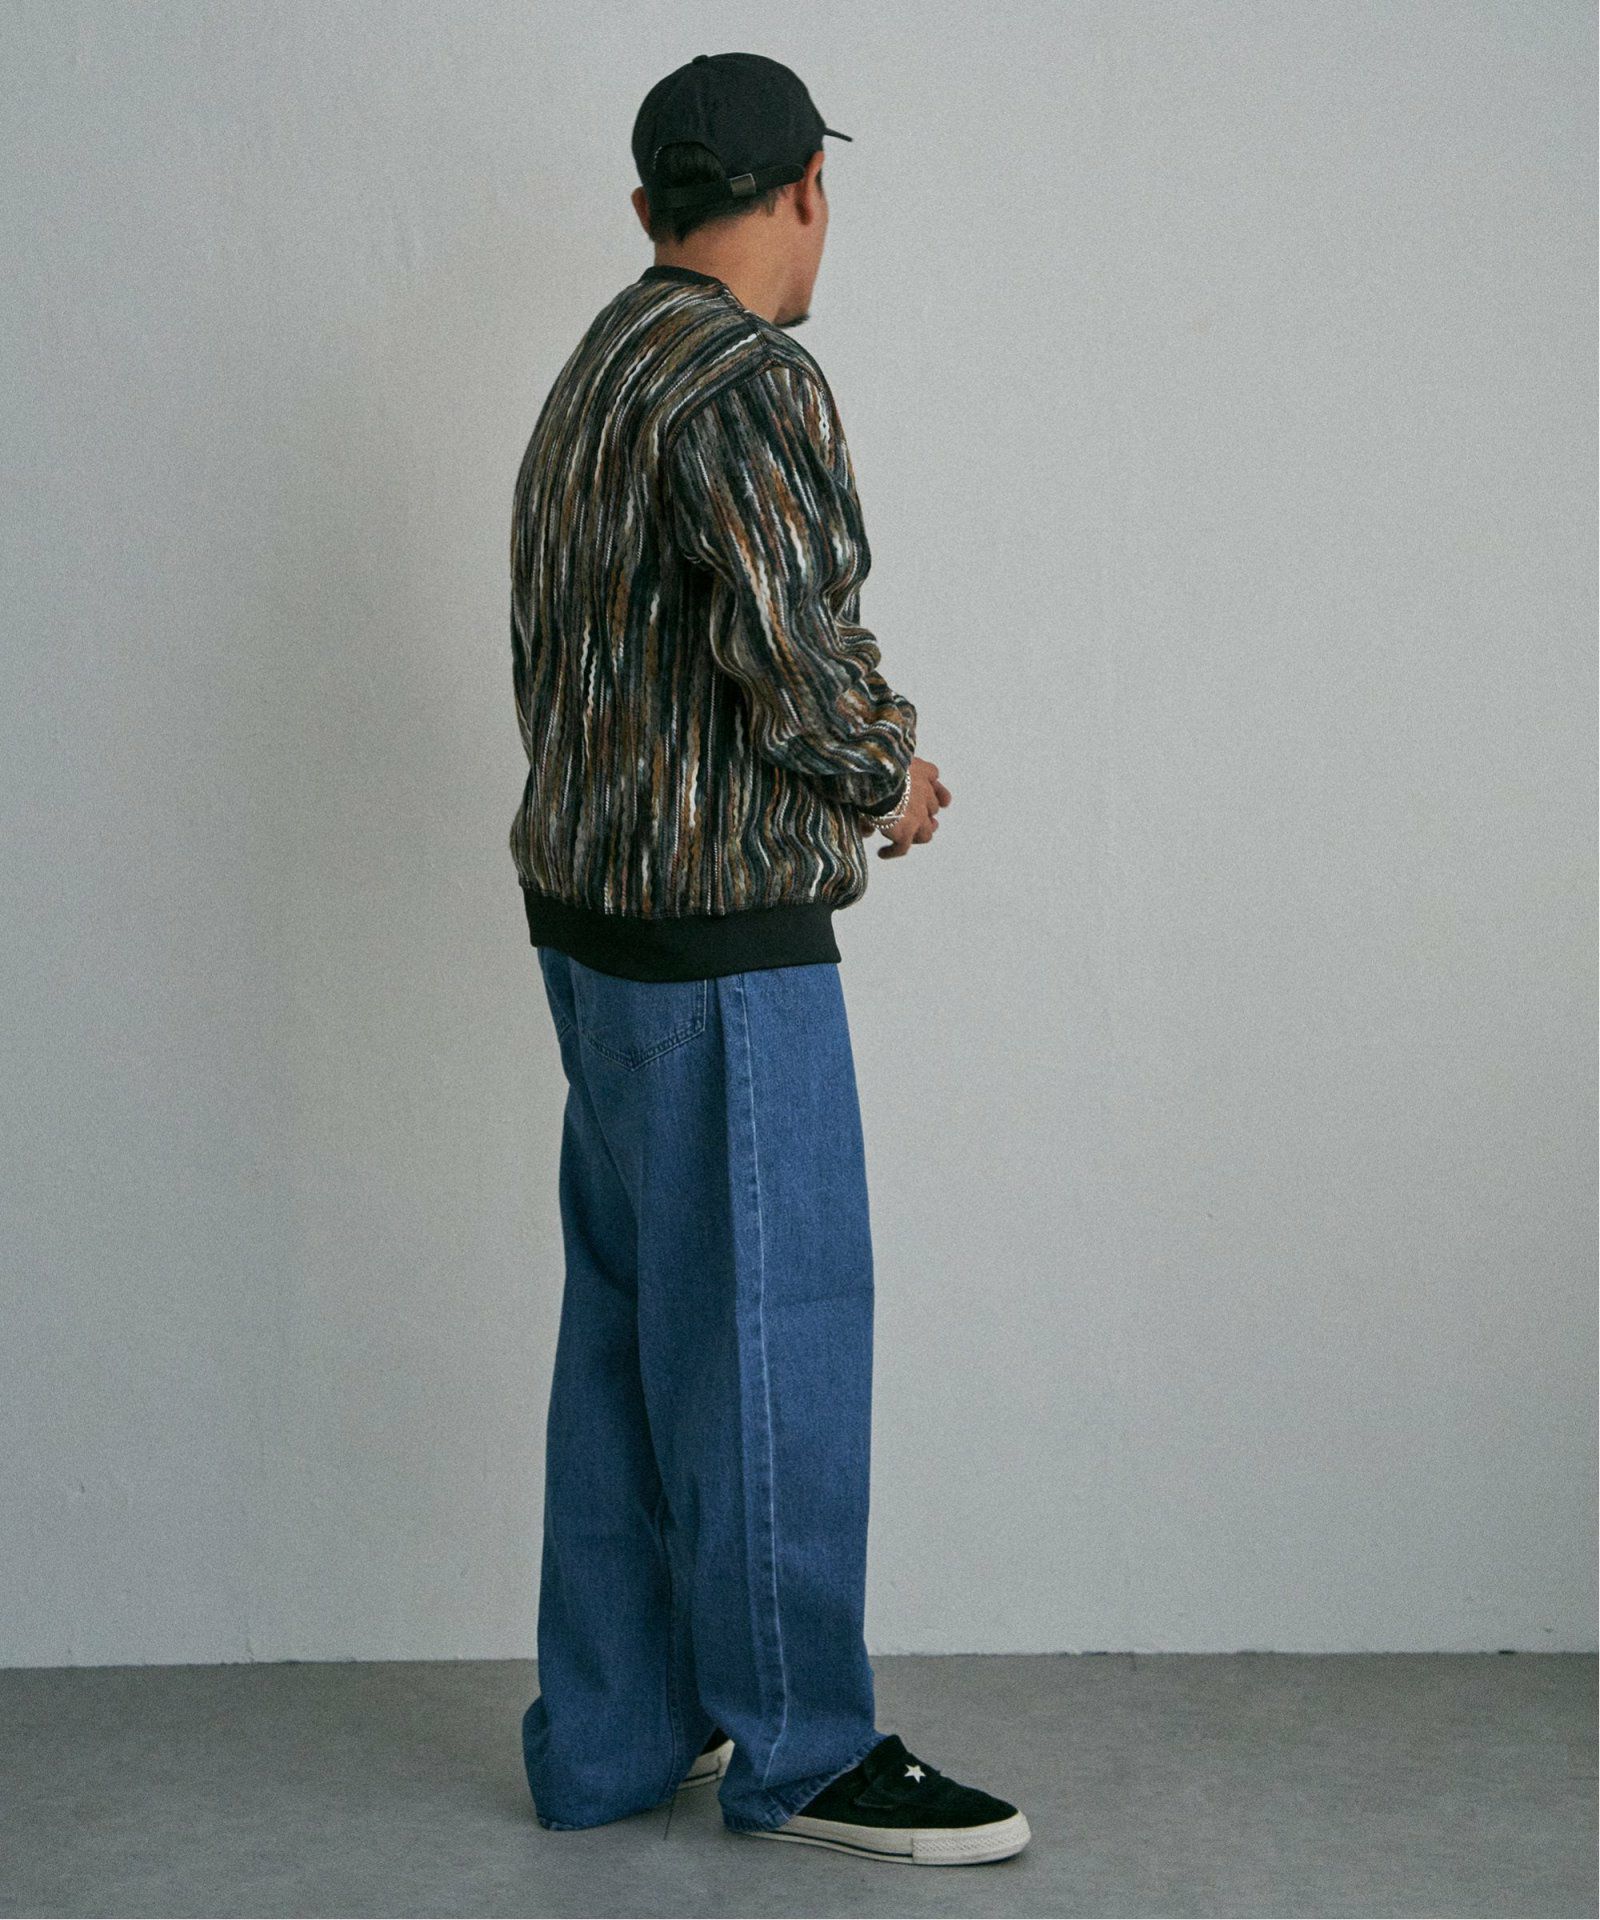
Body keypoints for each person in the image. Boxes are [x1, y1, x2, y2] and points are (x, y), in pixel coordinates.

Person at [506, 50, 1031, 1867]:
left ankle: (607, 1741)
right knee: (776, 1332)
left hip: (593, 939)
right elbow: (795, 660)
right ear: (808, 187)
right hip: (720, 948)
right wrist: (895, 770)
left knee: (629, 1349)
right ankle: (804, 1747)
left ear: (646, 209)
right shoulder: (747, 377)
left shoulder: (596, 370)